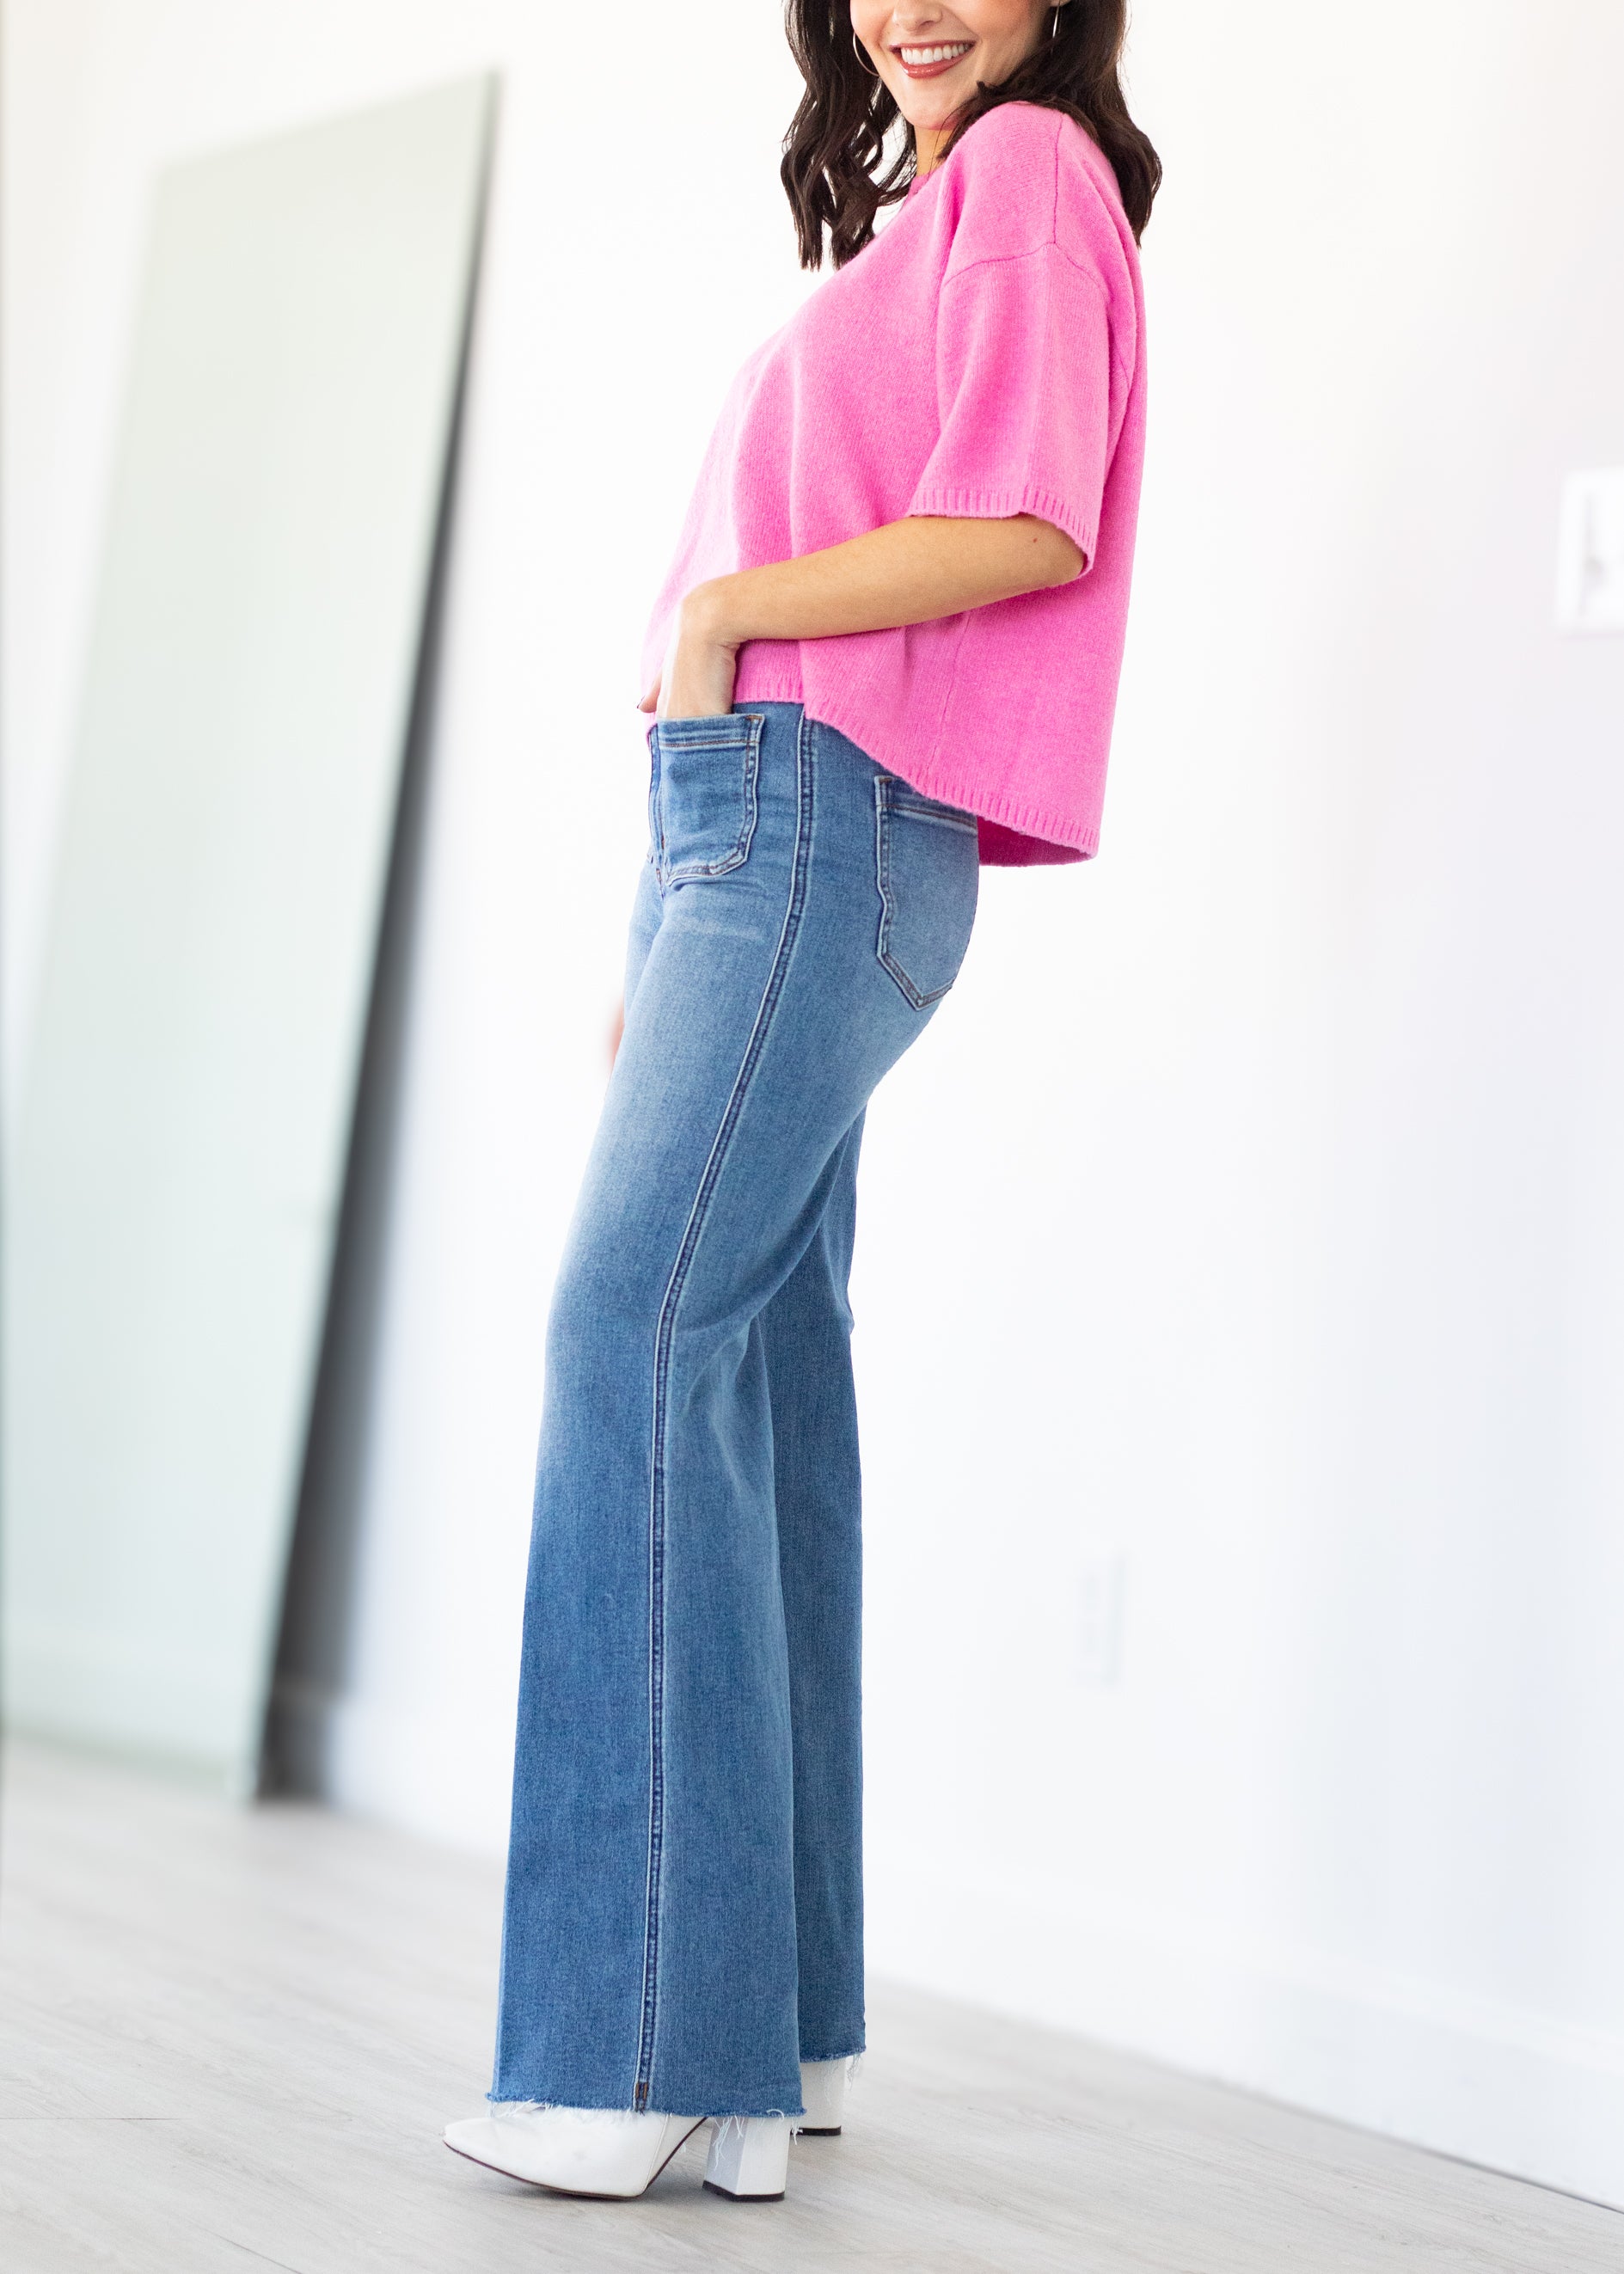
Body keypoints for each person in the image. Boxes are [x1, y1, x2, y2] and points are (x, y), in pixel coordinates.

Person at [444, 0, 1159, 2205]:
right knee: (753, 1372)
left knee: (632, 1332)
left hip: (814, 818)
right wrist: (668, 898)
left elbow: (1024, 518)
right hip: (764, 833)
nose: (910, 7)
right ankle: (780, 2028)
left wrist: (723, 618)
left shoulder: (1026, 174)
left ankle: (644, 2051)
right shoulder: (932, 212)